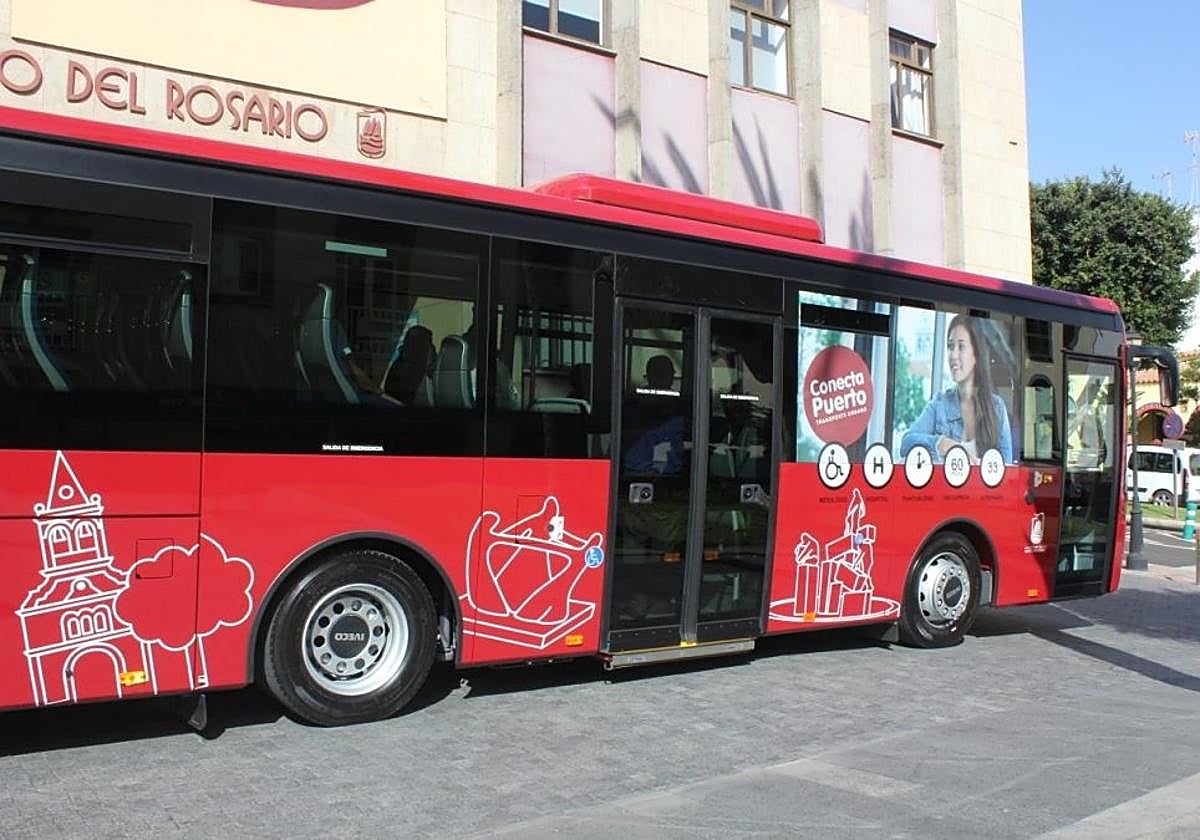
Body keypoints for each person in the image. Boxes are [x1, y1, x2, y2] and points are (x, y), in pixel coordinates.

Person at [900, 314, 1013, 463]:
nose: (953, 355)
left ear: (976, 354)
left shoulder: (997, 408)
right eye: (950, 346)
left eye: (961, 346)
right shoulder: (939, 404)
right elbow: (907, 442)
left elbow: (1008, 469)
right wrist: (941, 443)